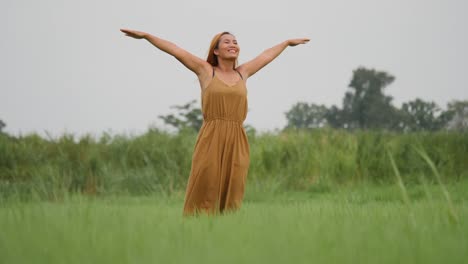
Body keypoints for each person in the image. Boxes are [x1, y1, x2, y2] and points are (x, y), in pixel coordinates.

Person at [120, 29, 309, 215]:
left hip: (237, 139)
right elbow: (176, 50)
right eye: (227, 41)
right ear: (216, 51)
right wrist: (147, 36)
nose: (233, 44)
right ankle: (197, 230)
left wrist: (286, 43)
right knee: (206, 186)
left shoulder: (243, 73)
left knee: (234, 187)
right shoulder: (206, 71)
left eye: (235, 42)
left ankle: (226, 233)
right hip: (211, 137)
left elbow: (266, 55)